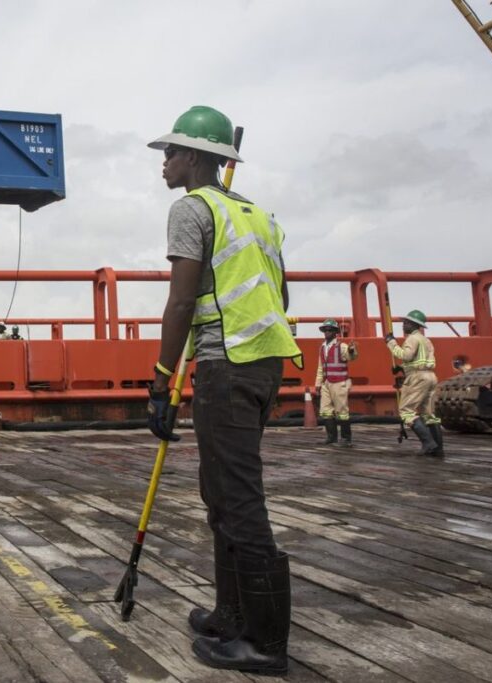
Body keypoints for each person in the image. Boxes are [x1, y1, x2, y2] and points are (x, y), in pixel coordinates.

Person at [146, 106, 301, 676]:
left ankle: (264, 642)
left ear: (194, 156)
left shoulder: (192, 208)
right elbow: (280, 296)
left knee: (237, 501)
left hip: (227, 366)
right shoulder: (258, 216)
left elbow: (182, 301)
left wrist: (160, 380)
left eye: (171, 151)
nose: (164, 161)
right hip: (262, 364)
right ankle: (230, 614)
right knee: (222, 494)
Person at [385, 309, 444, 456]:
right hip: (430, 376)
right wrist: (402, 368)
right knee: (429, 414)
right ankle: (438, 448)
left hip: (417, 378)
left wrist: (391, 343)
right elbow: (419, 360)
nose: (403, 325)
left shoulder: (412, 339)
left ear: (414, 324)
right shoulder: (426, 341)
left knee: (406, 411)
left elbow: (406, 355)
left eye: (406, 322)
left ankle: (428, 443)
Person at [315, 319, 358, 446]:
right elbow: (320, 367)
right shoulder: (322, 347)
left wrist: (352, 350)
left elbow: (351, 357)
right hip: (326, 383)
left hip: (339, 383)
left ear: (335, 332)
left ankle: (346, 439)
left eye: (330, 330)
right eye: (325, 330)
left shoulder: (342, 346)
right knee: (325, 410)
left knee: (342, 411)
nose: (327, 332)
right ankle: (331, 437)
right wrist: (318, 384)